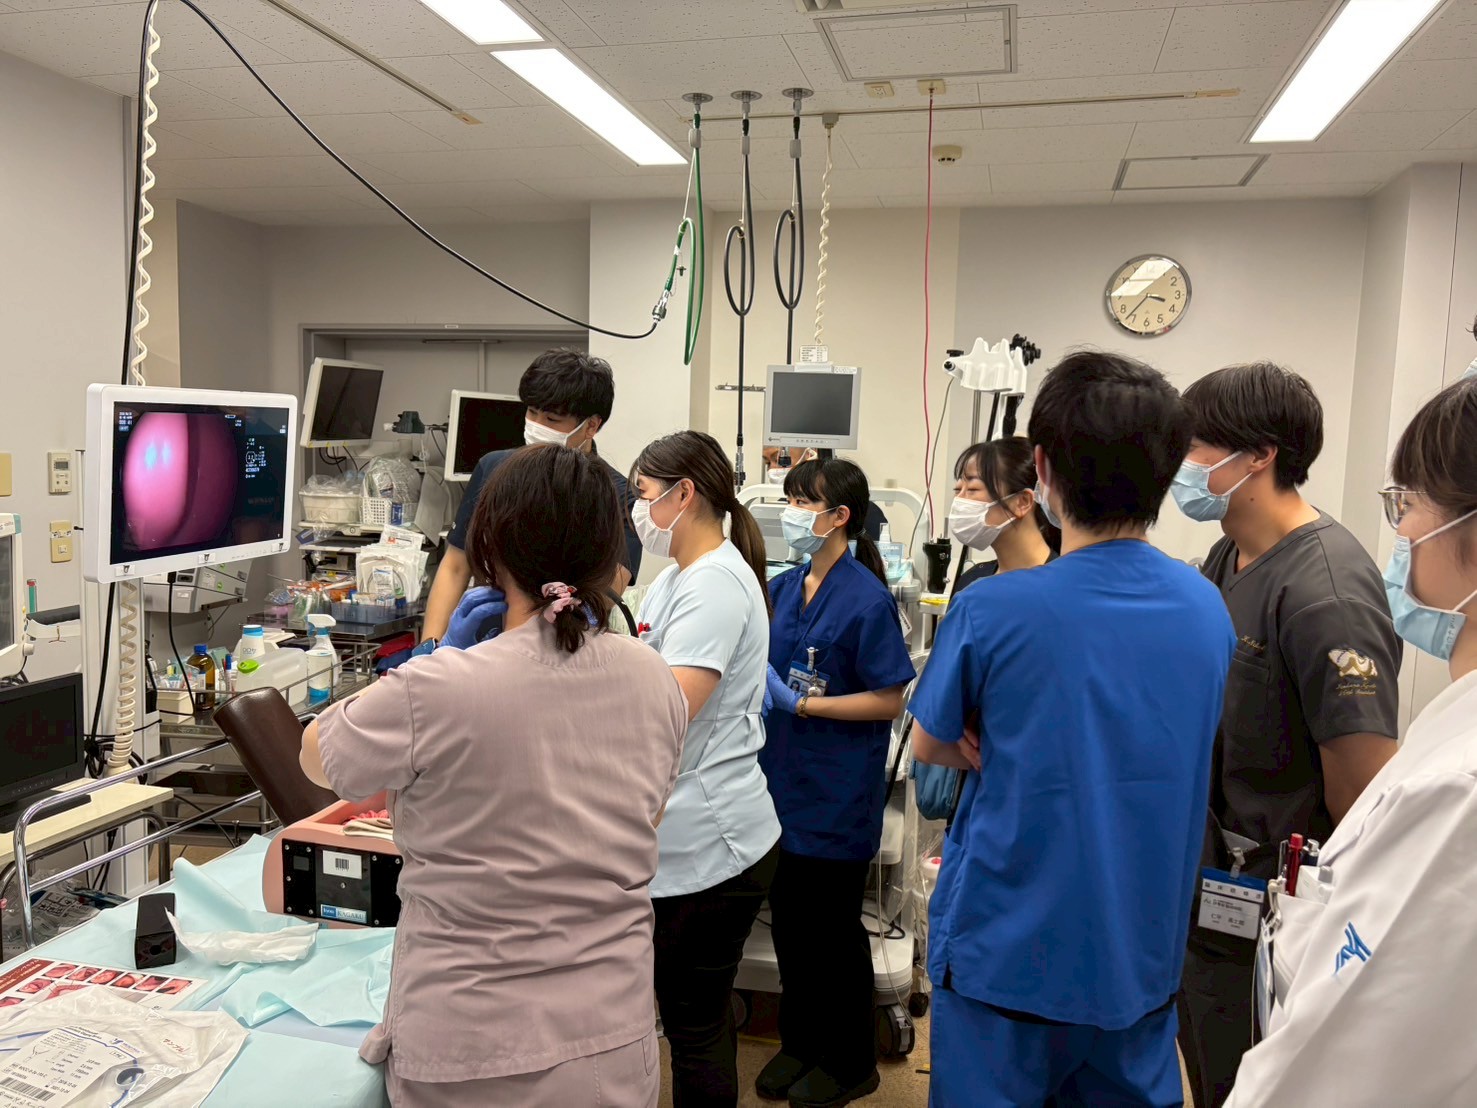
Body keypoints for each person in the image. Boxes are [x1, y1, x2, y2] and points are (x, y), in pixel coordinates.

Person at [300, 445, 688, 1106]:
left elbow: (318, 756)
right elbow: (644, 814)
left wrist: (433, 658)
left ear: (492, 550)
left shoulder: (439, 687)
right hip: (610, 1036)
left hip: (472, 1044)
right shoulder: (653, 676)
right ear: (609, 555)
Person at [909, 350, 1235, 1107]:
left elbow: (928, 742)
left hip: (1007, 954)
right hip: (1136, 957)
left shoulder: (993, 608)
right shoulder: (1205, 608)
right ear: (1167, 473)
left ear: (1044, 470)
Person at [1225, 375, 1477, 1106]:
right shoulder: (1451, 722)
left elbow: (1332, 1066)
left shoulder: (1455, 791)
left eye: (1408, 504)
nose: (1400, 532)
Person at [1171, 361, 1401, 1107]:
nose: (1179, 464)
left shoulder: (1324, 590)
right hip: (1214, 886)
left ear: (1259, 455)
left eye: (1193, 445)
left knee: (1252, 1082)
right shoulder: (1229, 555)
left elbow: (1363, 792)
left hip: (1278, 906)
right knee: (1208, 1062)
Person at [756, 458, 916, 1108]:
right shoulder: (782, 586)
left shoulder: (866, 598)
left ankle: (851, 1063)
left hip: (835, 793)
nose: (791, 513)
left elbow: (888, 698)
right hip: (780, 784)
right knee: (791, 927)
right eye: (789, 499)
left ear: (839, 516)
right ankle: (799, 1044)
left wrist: (804, 704)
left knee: (833, 934)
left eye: (803, 502)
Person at [630, 431, 781, 1108]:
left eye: (642, 494)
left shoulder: (715, 583)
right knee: (691, 1018)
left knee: (694, 1025)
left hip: (710, 840)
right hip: (684, 829)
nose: (638, 511)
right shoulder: (677, 578)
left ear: (682, 493)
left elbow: (667, 709)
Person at [418, 349, 642, 647]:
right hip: (484, 643)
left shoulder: (618, 496)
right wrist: (429, 648)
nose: (537, 425)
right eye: (531, 412)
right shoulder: (494, 469)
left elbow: (606, 593)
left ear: (591, 425)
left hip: (564, 646)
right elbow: (456, 566)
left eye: (552, 418)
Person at [946, 436, 1059, 596]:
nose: (959, 501)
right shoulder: (971, 582)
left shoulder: (1063, 588)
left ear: (1022, 502)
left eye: (972, 489)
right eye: (957, 490)